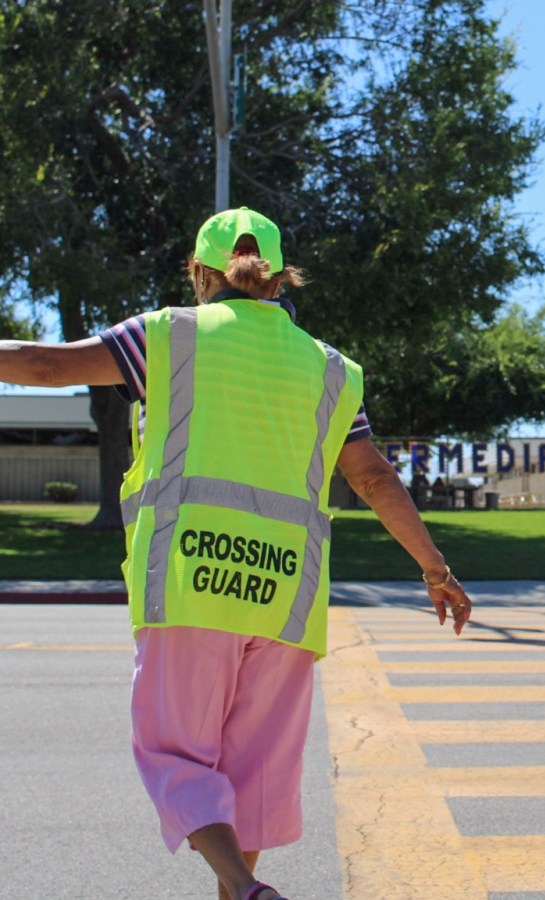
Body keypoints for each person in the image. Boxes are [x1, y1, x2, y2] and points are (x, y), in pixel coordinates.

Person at [0, 207, 472, 900]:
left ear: (200, 271)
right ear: (281, 278)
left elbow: (43, 363)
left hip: (191, 585)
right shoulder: (334, 370)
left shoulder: (168, 335)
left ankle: (241, 887)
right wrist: (436, 567)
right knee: (250, 780)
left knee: (177, 756)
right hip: (286, 597)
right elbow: (372, 476)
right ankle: (242, 892)